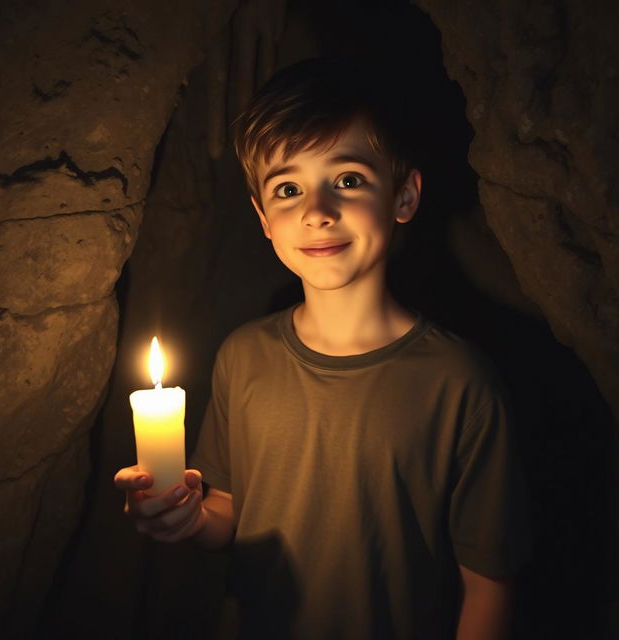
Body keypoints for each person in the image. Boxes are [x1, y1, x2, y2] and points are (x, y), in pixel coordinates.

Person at [114, 58, 532, 639]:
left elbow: (489, 585)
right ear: (263, 218)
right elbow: (230, 512)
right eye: (288, 188)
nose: (316, 211)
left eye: (349, 179)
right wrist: (181, 514)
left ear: (405, 196)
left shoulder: (461, 382)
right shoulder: (244, 356)